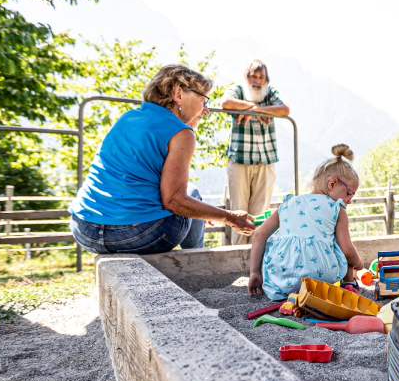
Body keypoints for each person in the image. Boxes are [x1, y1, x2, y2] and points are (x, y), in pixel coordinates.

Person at [70, 65, 255, 254]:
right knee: (191, 193)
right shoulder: (181, 133)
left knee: (191, 202)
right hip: (135, 235)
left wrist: (200, 212)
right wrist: (229, 217)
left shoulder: (127, 118)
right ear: (178, 94)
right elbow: (174, 201)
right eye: (203, 100)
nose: (206, 110)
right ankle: (198, 259)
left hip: (84, 229)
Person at [248, 144, 366, 301]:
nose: (349, 201)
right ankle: (349, 284)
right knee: (341, 245)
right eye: (348, 194)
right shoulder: (336, 209)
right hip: (319, 279)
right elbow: (348, 250)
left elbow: (260, 235)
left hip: (282, 278)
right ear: (332, 183)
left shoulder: (288, 203)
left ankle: (285, 290)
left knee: (275, 239)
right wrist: (358, 262)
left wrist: (254, 272)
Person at [220, 60, 290, 245]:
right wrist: (253, 108)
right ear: (246, 76)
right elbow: (225, 103)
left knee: (260, 215)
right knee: (238, 213)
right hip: (240, 159)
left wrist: (255, 110)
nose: (257, 81)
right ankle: (236, 256)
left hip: (265, 161)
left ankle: (254, 260)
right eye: (254, 76)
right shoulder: (238, 90)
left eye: (261, 77)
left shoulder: (270, 93)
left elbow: (284, 109)